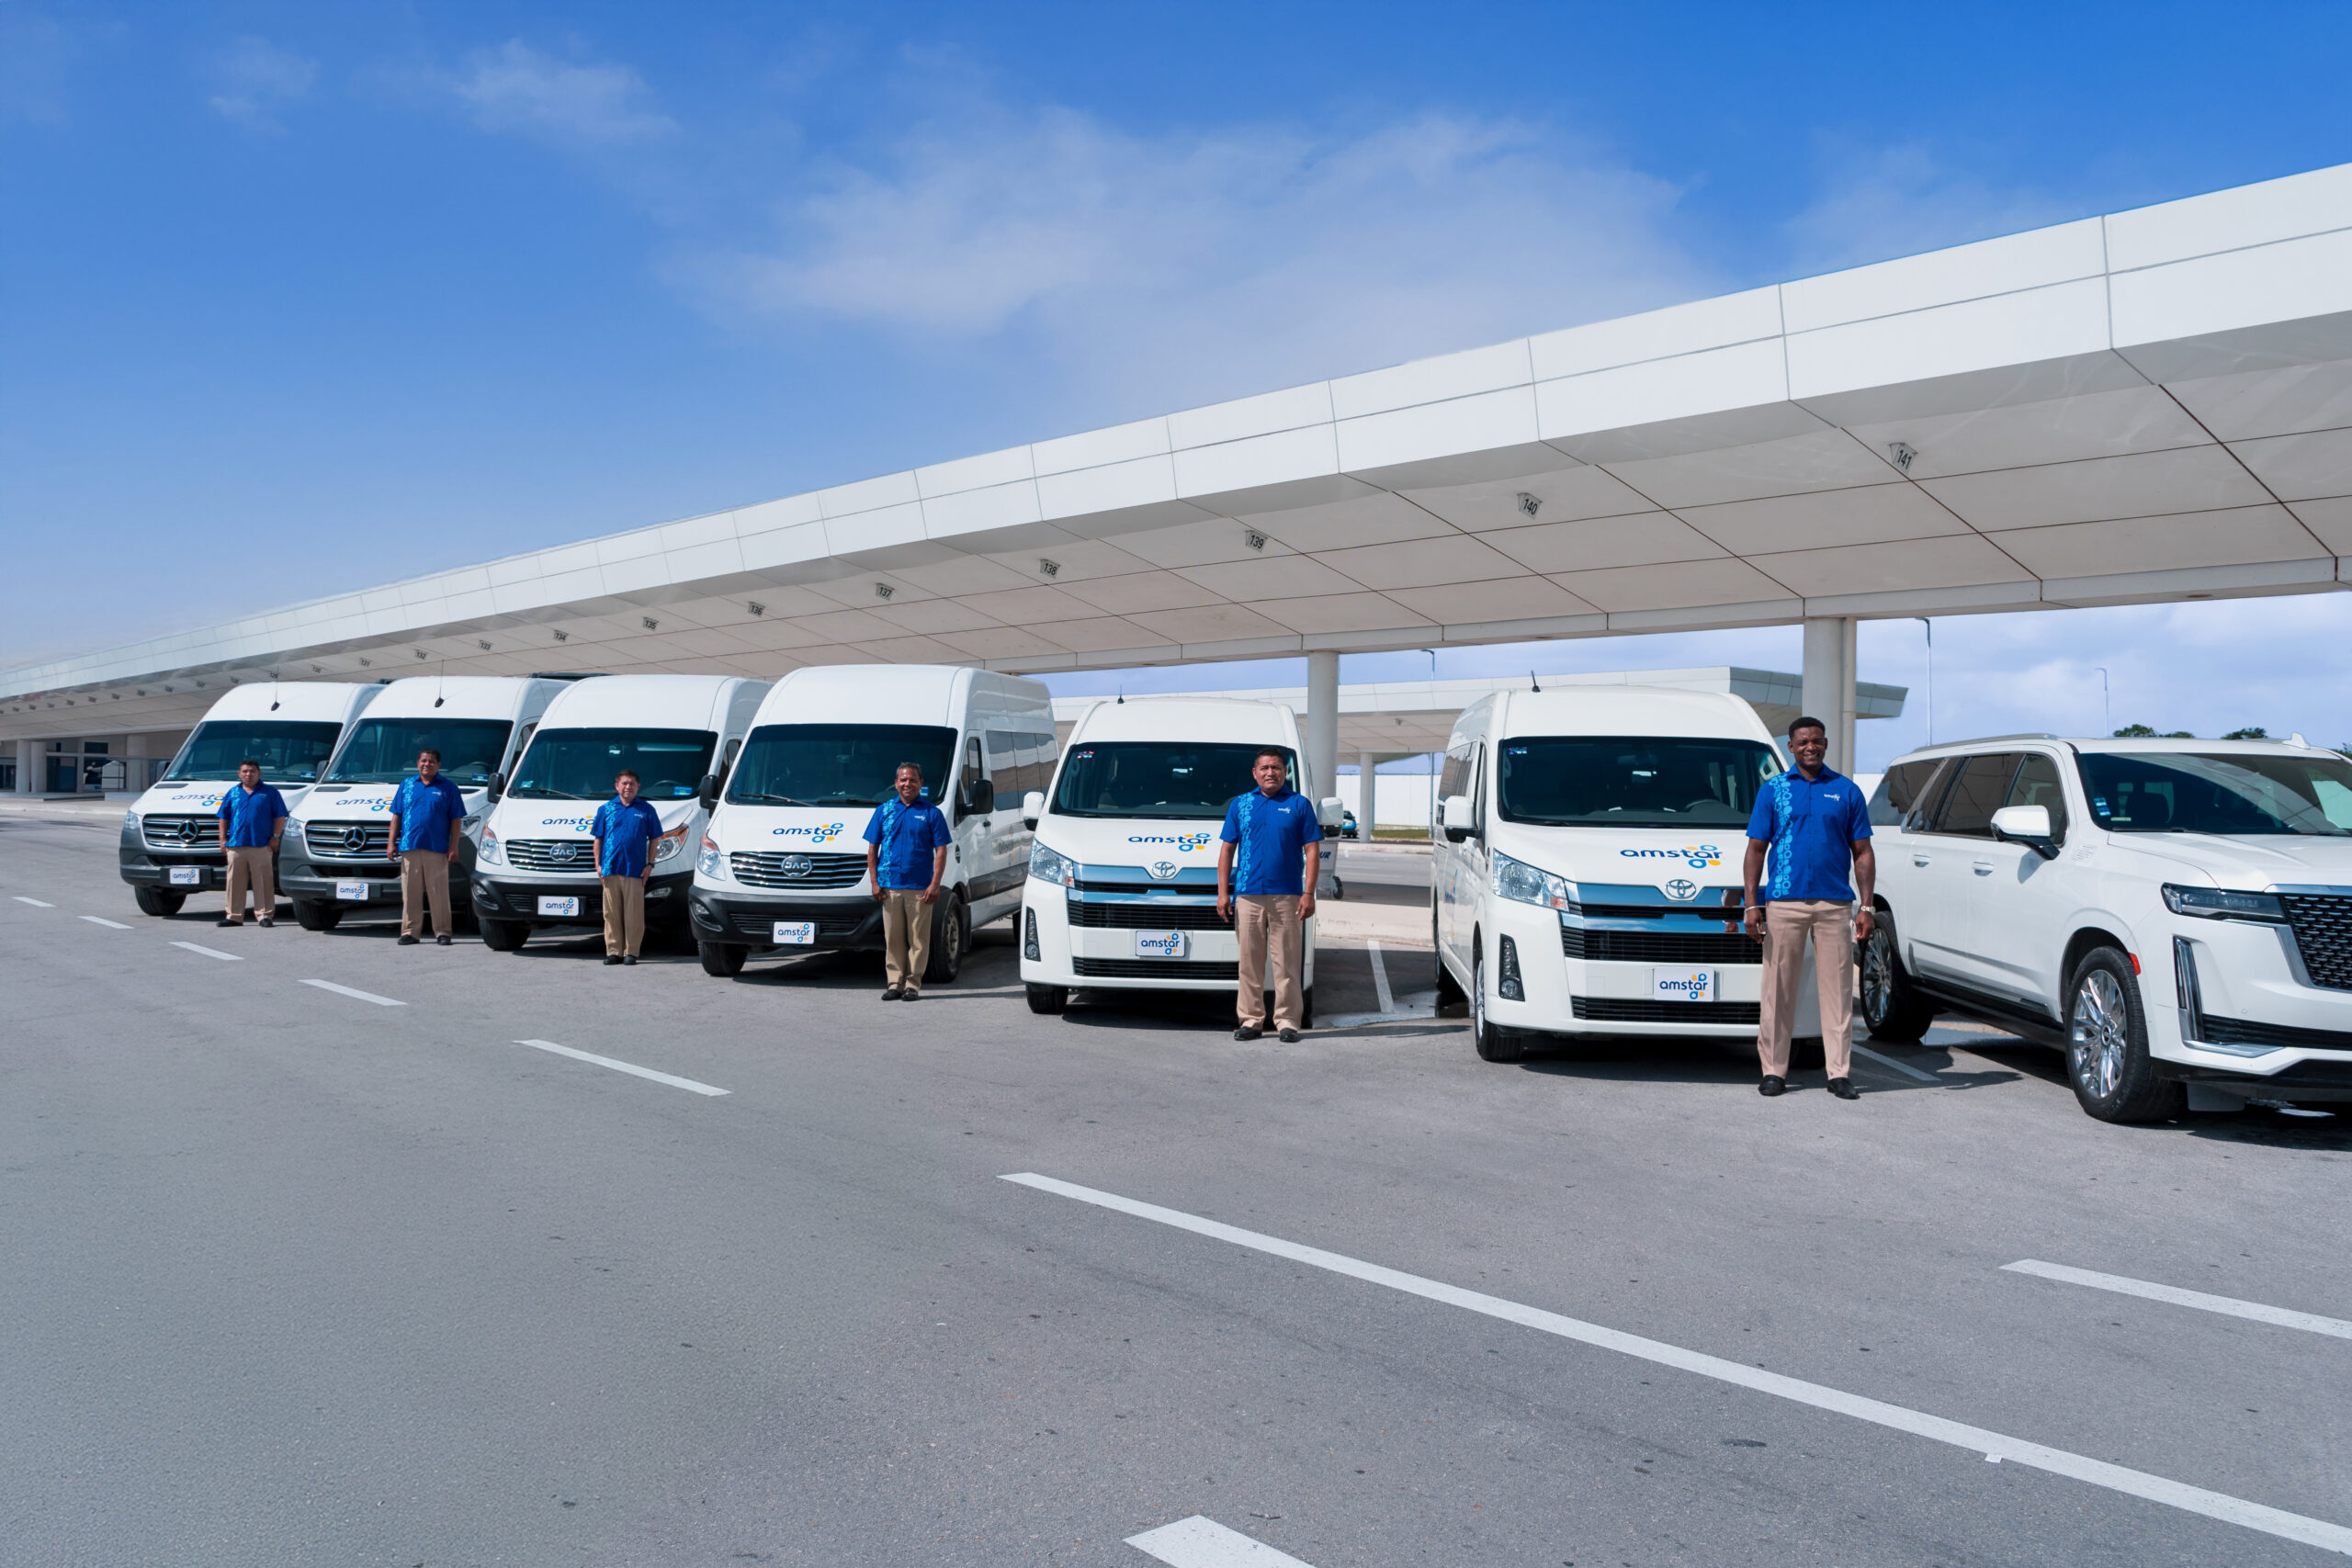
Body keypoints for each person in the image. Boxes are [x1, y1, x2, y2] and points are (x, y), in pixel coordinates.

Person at [1741, 716, 1875, 1100]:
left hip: (1834, 903)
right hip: (1784, 900)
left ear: (1826, 744)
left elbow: (1863, 852)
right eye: (1803, 742)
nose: (1810, 747)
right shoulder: (1774, 791)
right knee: (1778, 990)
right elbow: (1755, 850)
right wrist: (1752, 905)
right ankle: (1773, 1071)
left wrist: (1866, 905)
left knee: (1837, 991)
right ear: (1792, 747)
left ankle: (1838, 1073)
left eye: (1816, 741)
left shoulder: (1846, 791)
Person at [1216, 747, 1323, 1043]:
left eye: (1276, 767)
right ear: (1255, 773)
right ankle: (1251, 1020)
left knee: (1286, 963)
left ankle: (1287, 1021)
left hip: (1287, 897)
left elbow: (1312, 850)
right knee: (1249, 963)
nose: (1270, 773)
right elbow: (1227, 849)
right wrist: (1223, 893)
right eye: (1264, 768)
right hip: (1248, 896)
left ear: (1284, 772)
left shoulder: (1299, 805)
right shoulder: (1241, 804)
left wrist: (1308, 892)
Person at [863, 762, 953, 1000]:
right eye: (903, 780)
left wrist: (935, 884)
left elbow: (941, 851)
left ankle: (913, 984)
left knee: (918, 940)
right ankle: (894, 984)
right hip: (889, 886)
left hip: (920, 888)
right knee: (893, 938)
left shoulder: (932, 813)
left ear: (921, 784)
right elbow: (872, 848)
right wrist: (874, 882)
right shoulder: (884, 811)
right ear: (896, 784)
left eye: (912, 780)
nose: (907, 784)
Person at [384, 748, 469, 947]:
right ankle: (410, 932)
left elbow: (456, 819)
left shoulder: (448, 788)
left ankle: (443, 932)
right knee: (410, 893)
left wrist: (453, 846)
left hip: (436, 847)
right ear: (417, 763)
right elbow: (396, 815)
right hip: (409, 846)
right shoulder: (406, 785)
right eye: (423, 760)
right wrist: (391, 843)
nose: (427, 764)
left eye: (431, 761)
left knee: (438, 892)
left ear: (439, 765)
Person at [591, 768, 663, 966]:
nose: (628, 787)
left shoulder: (646, 809)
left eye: (632, 783)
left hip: (635, 870)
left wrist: (650, 864)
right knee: (611, 913)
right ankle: (613, 952)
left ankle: (631, 952)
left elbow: (655, 839)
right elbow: (598, 839)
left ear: (638, 786)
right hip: (610, 869)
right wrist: (598, 865)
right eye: (624, 783)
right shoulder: (605, 809)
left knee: (633, 914)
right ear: (617, 786)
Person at [214, 758, 288, 928]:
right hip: (236, 845)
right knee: (234, 881)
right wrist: (222, 839)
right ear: (239, 774)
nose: (248, 774)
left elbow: (280, 816)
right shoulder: (233, 793)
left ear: (259, 773)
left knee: (262, 881)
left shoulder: (270, 792)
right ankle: (234, 916)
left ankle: (264, 915)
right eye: (245, 771)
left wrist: (276, 837)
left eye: (252, 771)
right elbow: (223, 817)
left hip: (261, 844)